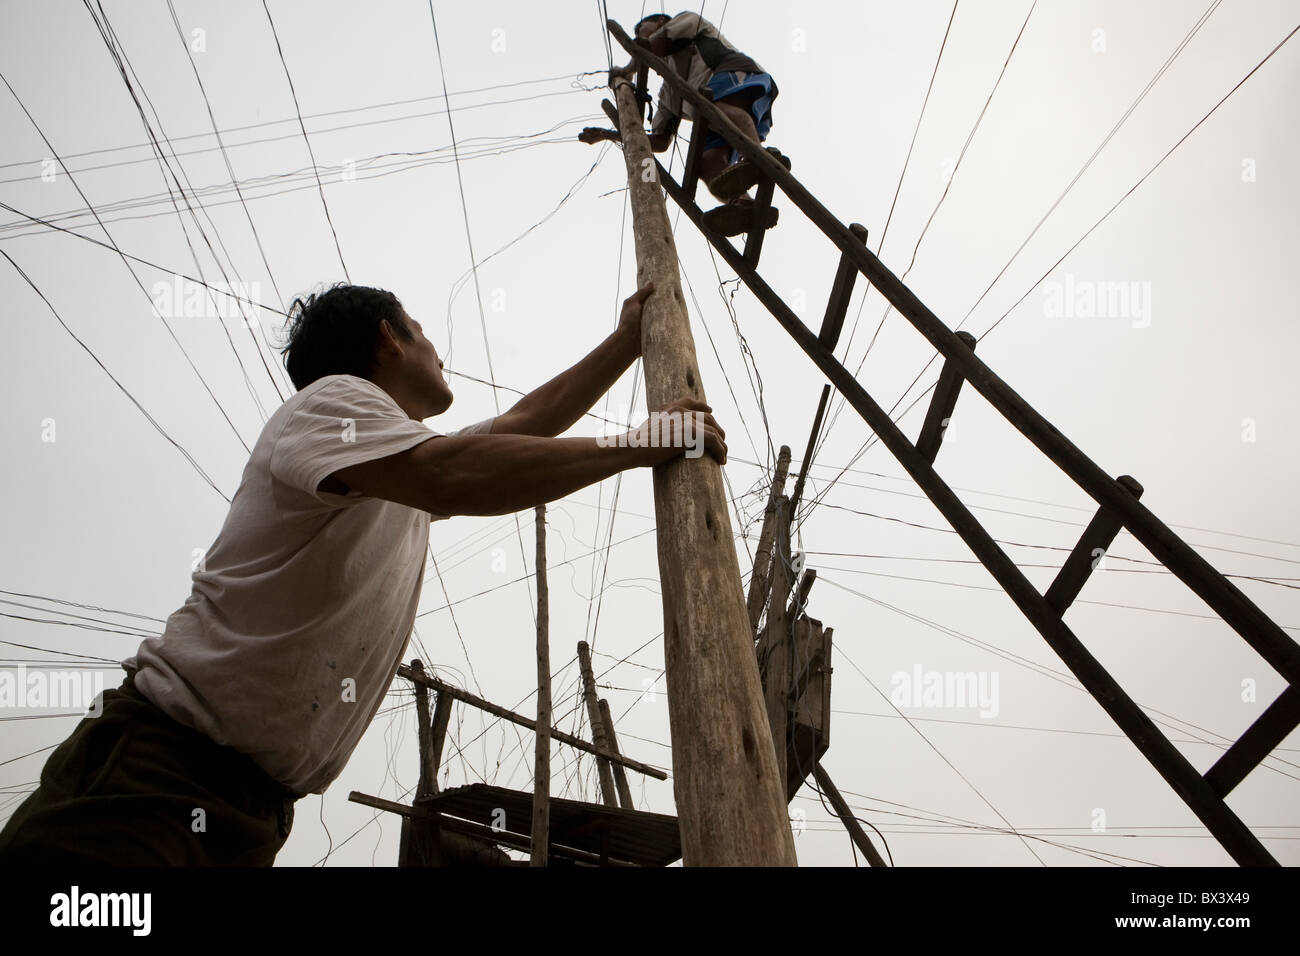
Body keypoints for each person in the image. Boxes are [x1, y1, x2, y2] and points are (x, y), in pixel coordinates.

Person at [0, 281, 726, 866]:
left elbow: (525, 423)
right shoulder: (334, 410)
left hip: (248, 808)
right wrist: (648, 441)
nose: (440, 352)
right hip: (158, 775)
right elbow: (457, 473)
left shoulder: (391, 468)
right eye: (423, 329)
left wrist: (626, 343)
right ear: (388, 335)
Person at [581, 11, 790, 236]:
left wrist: (626, 70)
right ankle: (742, 204)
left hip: (734, 75)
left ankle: (755, 159)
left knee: (716, 109)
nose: (639, 35)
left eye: (642, 28)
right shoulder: (669, 89)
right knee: (705, 162)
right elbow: (660, 141)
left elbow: (650, 45)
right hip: (708, 114)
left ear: (660, 22)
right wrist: (607, 134)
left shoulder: (686, 21)